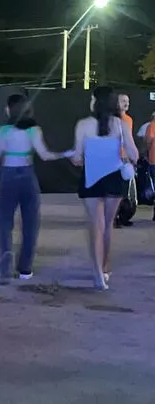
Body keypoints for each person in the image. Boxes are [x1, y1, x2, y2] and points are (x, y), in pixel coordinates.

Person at [0, 93, 71, 281]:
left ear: (8, 110)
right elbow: (45, 155)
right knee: (30, 223)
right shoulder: (34, 131)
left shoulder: (0, 132)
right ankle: (25, 269)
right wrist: (66, 153)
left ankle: (4, 268)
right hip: (27, 176)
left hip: (8, 176)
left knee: (4, 222)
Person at [72, 86, 138, 290]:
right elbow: (134, 154)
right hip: (114, 178)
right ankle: (105, 267)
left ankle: (97, 273)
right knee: (108, 225)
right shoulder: (120, 124)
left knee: (96, 226)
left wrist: (79, 158)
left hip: (91, 178)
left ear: (95, 101)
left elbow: (77, 157)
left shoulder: (83, 125)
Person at [114, 92, 136, 227]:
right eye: (123, 101)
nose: (126, 103)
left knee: (125, 190)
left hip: (125, 159)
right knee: (115, 190)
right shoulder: (112, 119)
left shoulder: (128, 119)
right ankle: (114, 218)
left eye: (127, 101)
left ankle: (122, 216)